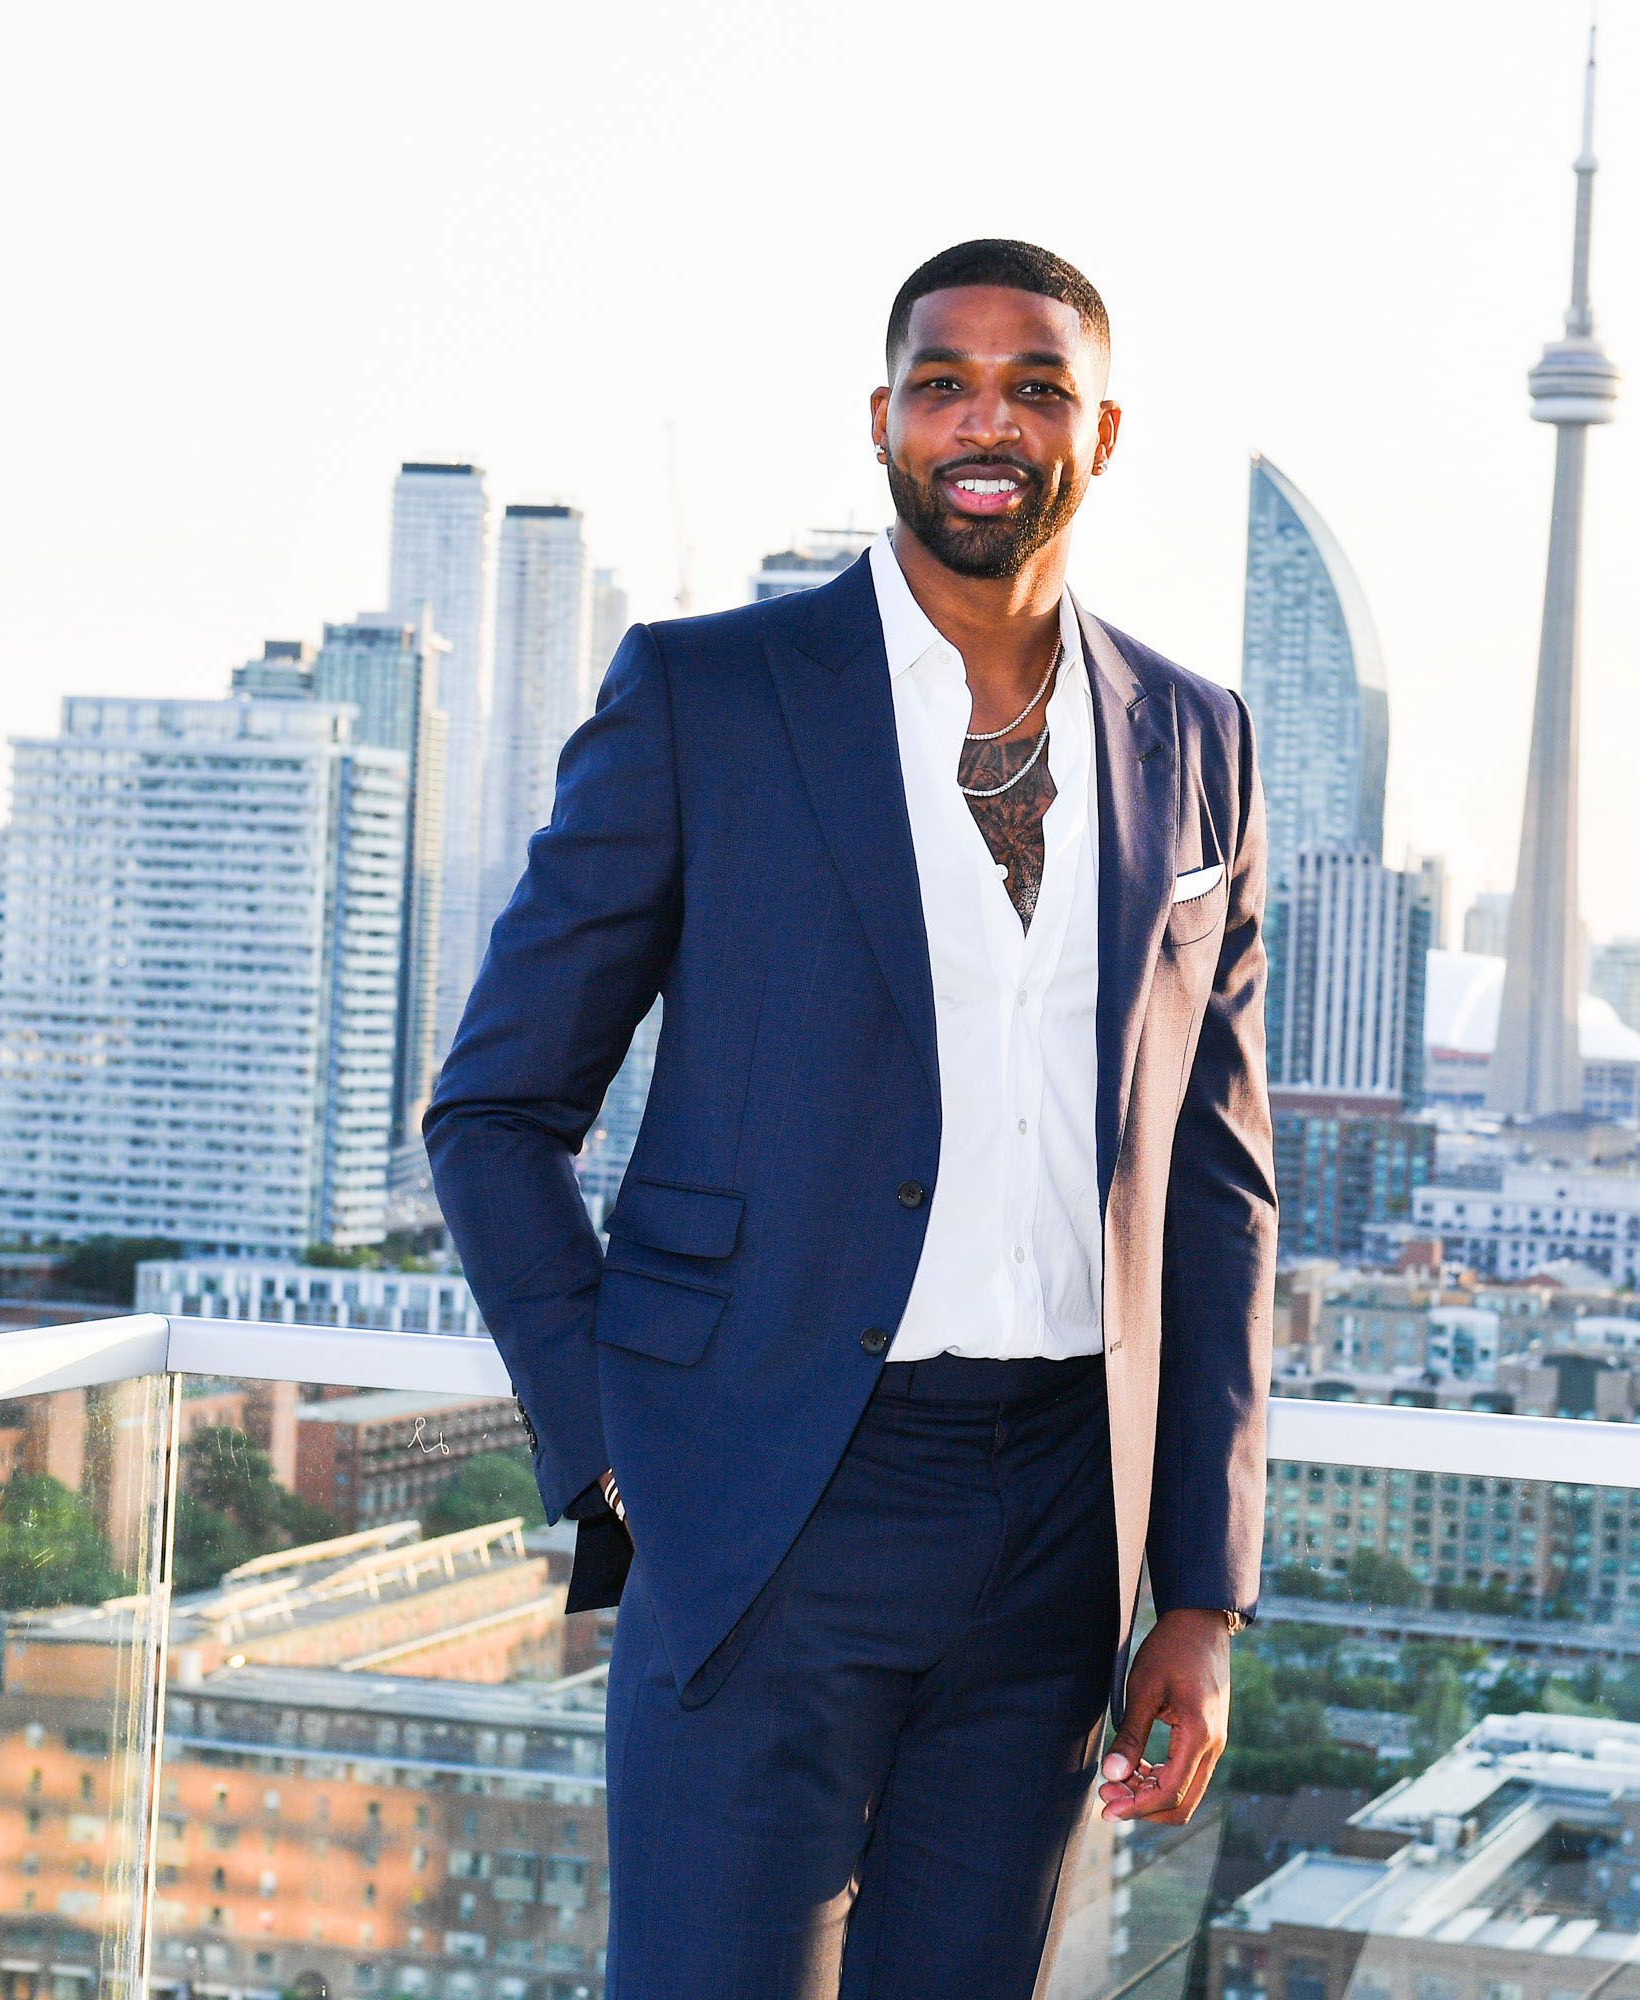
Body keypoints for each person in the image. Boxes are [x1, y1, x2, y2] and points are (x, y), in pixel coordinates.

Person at [426, 237, 1274, 1999]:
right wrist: (614, 1447)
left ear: (1099, 435)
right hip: (766, 1497)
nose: (988, 420)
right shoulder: (709, 702)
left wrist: (1196, 1589)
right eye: (944, 381)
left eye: (1035, 386)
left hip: (1059, 1525)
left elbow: (1217, 1188)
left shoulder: (1198, 739)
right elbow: (496, 1107)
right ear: (881, 419)